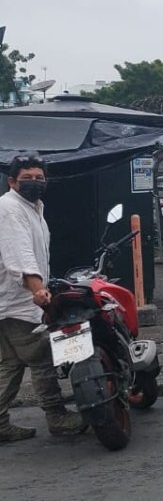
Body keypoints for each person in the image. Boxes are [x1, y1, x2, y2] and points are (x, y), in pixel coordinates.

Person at [0, 154, 87, 443]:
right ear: (12, 182)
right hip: (18, 301)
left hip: (15, 300)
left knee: (11, 364)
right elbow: (21, 254)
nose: (35, 183)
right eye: (27, 179)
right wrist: (37, 290)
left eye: (40, 178)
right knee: (43, 357)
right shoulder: (10, 208)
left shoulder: (34, 206)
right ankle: (57, 416)